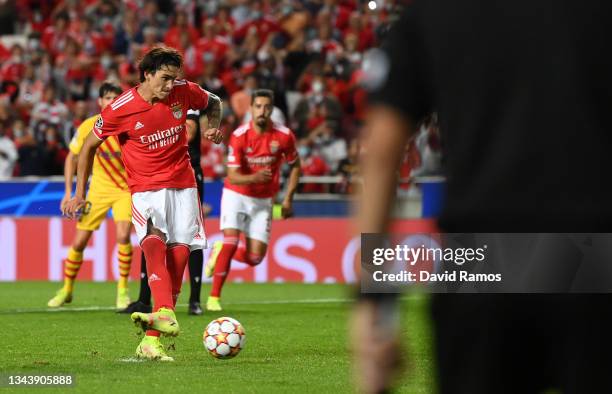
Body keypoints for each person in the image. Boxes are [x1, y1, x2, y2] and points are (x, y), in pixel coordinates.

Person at [354, 2, 612, 393]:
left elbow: (380, 153)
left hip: (476, 255)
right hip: (592, 252)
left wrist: (375, 303)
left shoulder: (435, 12)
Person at [64, 47, 223, 362]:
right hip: (145, 188)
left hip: (184, 184)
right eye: (164, 78)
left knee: (180, 252)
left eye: (174, 78)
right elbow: (87, 147)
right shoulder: (120, 108)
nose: (169, 85)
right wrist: (80, 192)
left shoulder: (183, 91)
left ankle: (152, 339)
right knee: (153, 239)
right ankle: (162, 313)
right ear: (147, 75)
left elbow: (213, 102)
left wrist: (210, 127)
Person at [204, 89, 300, 312]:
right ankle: (214, 298)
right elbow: (232, 175)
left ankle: (217, 249)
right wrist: (255, 176)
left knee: (255, 257)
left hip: (263, 200)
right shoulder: (239, 136)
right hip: (236, 194)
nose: (262, 111)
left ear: (272, 110)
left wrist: (288, 199)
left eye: (267, 107)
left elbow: (295, 165)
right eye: (258, 106)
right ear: (251, 109)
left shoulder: (284, 136)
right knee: (232, 241)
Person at [48, 82, 132, 310]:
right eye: (107, 98)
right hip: (98, 190)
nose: (112, 102)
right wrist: (68, 192)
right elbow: (71, 157)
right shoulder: (89, 126)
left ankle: (122, 291)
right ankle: (66, 289)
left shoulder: (129, 125)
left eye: (116, 98)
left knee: (124, 236)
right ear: (100, 102)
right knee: (79, 241)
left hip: (126, 190)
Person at [119, 109, 209, 316]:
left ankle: (194, 300)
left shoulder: (183, 97)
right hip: (156, 177)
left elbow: (191, 131)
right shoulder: (150, 102)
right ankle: (146, 299)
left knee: (187, 239)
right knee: (152, 236)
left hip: (188, 175)